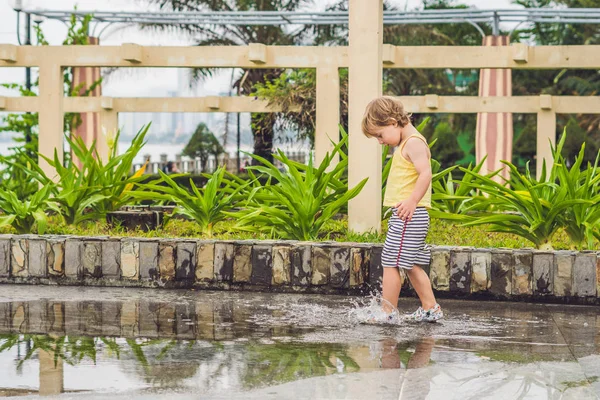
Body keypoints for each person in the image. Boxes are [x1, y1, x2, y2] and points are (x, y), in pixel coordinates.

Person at [361, 96, 443, 323]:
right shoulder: (408, 143)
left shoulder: (414, 143)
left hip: (409, 214)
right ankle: (430, 308)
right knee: (411, 263)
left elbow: (426, 173)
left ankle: (388, 313)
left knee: (390, 261)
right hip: (410, 215)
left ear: (392, 121)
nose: (379, 141)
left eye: (379, 134)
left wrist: (411, 201)